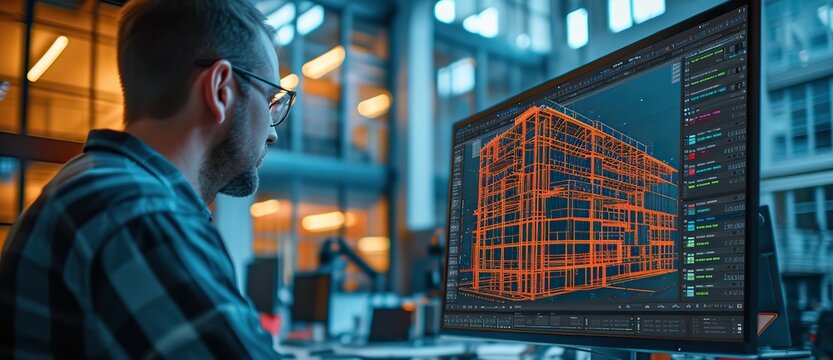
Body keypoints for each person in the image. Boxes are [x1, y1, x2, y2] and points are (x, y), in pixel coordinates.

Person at [0, 0, 295, 358]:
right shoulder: (139, 211)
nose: (272, 134)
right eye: (271, 99)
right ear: (220, 88)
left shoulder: (104, 186)